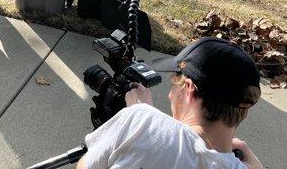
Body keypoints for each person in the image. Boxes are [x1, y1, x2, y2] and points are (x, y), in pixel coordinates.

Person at [77, 37, 263, 169]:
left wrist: (139, 115)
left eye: (174, 86)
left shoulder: (142, 120)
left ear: (189, 89)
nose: (169, 96)